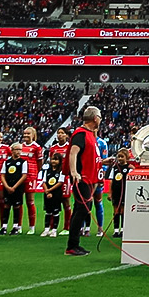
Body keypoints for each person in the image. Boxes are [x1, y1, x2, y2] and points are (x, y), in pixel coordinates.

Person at [64, 105, 102, 256]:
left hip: (87, 177)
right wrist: (74, 172)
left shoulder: (89, 134)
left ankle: (74, 244)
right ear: (95, 118)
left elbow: (88, 156)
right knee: (81, 209)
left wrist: (103, 162)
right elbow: (74, 152)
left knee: (82, 209)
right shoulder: (81, 134)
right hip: (82, 177)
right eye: (99, 117)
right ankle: (72, 245)